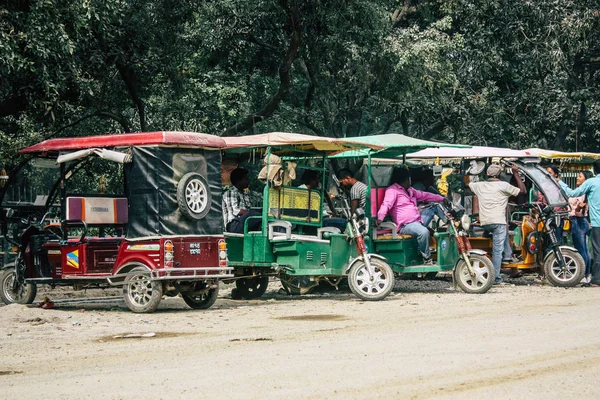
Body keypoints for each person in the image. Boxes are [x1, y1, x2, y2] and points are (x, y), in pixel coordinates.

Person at [469, 163, 526, 285]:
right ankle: (496, 277)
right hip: (498, 222)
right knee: (497, 250)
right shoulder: (504, 186)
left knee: (504, 230)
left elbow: (468, 183)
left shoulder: (479, 186)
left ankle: (508, 256)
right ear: (500, 174)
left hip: (485, 222)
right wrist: (516, 173)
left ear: (487, 174)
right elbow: (523, 191)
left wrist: (472, 171)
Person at [375, 167, 444, 263]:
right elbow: (386, 204)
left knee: (434, 206)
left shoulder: (410, 190)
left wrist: (442, 198)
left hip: (417, 221)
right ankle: (426, 258)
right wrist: (380, 217)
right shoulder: (392, 190)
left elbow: (425, 195)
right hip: (405, 225)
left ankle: (449, 223)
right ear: (406, 179)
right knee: (424, 232)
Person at [558, 161, 600, 287]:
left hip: (597, 223)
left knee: (597, 251)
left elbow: (572, 194)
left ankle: (597, 280)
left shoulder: (591, 182)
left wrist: (559, 182)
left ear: (594, 170)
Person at [568, 171, 593, 284]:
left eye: (580, 176)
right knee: (584, 249)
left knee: (581, 249)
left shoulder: (583, 193)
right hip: (581, 221)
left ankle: (583, 275)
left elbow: (580, 210)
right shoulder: (583, 192)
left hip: (578, 221)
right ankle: (587, 274)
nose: (577, 178)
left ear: (585, 179)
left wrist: (578, 208)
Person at [222, 168, 261, 234]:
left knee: (262, 216)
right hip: (234, 225)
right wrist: (252, 213)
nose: (248, 181)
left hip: (245, 222)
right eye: (246, 179)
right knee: (255, 214)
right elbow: (236, 211)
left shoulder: (245, 194)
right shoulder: (231, 193)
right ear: (239, 181)